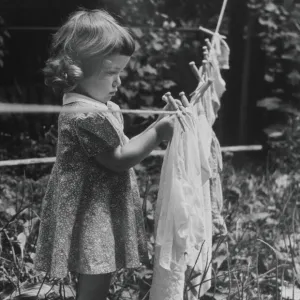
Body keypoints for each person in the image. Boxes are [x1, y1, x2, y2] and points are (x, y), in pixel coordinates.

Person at [34, 8, 179, 300]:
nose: (119, 82)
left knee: (100, 272)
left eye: (120, 72)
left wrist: (156, 123)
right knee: (96, 276)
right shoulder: (83, 115)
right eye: (111, 73)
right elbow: (120, 158)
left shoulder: (97, 108)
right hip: (91, 211)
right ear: (77, 70)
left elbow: (123, 143)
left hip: (99, 205)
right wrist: (159, 131)